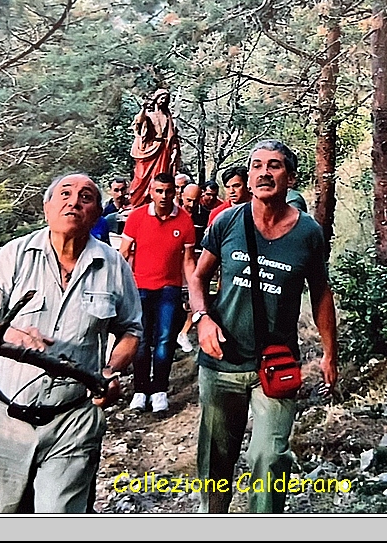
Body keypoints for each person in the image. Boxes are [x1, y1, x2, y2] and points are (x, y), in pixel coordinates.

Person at [0, 173, 142, 513]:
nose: (74, 201)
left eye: (86, 196)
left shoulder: (113, 265)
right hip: (4, 416)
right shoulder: (15, 255)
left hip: (72, 418)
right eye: (64, 194)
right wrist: (13, 336)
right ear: (47, 207)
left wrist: (109, 372)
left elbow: (132, 331)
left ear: (96, 214)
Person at [188, 140, 338, 513]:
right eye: (256, 166)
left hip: (275, 366)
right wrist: (202, 319)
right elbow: (197, 278)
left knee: (270, 457)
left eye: (274, 165)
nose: (263, 173)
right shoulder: (227, 221)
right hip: (221, 363)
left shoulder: (308, 233)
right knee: (215, 461)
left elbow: (321, 294)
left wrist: (329, 354)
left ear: (290, 176)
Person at [120, 173, 197, 414]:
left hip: (168, 289)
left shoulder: (184, 221)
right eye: (159, 191)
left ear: (175, 192)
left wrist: (194, 290)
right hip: (139, 288)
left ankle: (160, 390)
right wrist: (119, 286)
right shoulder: (137, 217)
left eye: (168, 191)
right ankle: (140, 390)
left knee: (165, 339)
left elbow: (188, 261)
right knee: (141, 341)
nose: (164, 196)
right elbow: (124, 253)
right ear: (151, 192)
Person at [129, 89, 181, 206]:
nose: (163, 101)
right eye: (161, 98)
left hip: (163, 151)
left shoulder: (168, 117)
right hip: (149, 150)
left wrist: (174, 150)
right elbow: (139, 123)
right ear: (156, 99)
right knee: (141, 176)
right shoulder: (149, 114)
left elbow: (173, 136)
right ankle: (137, 202)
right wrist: (143, 109)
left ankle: (155, 202)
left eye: (166, 99)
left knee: (160, 178)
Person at [175, 183, 210, 353]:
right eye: (188, 200)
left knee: (193, 299)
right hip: (174, 264)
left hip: (193, 262)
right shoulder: (173, 213)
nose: (191, 204)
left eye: (195, 200)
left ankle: (184, 332)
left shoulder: (204, 215)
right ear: (181, 195)